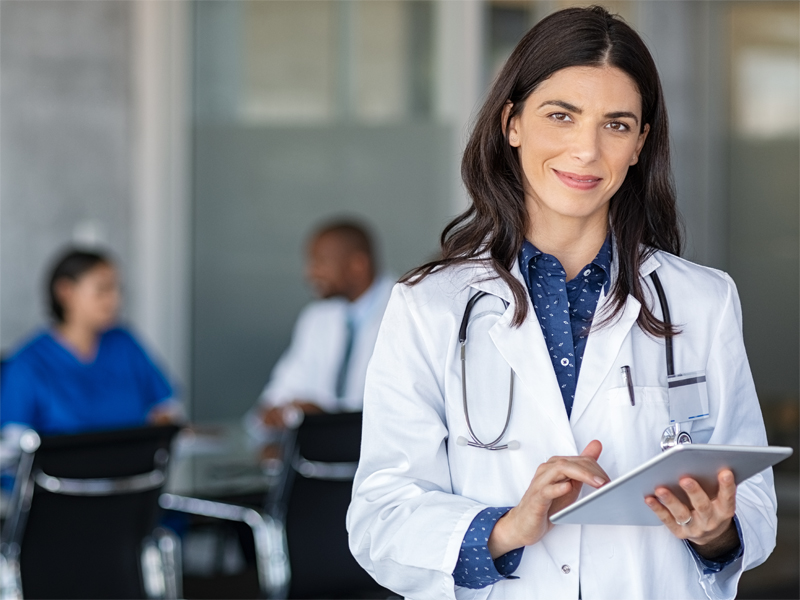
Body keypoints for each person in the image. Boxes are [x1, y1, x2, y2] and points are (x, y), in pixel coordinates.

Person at [346, 7, 776, 600]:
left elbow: (752, 497)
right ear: (512, 123)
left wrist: (716, 532)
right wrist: (504, 529)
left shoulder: (702, 301)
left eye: (617, 125)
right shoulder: (430, 306)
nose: (586, 150)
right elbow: (380, 515)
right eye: (561, 116)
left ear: (639, 144)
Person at [0, 248, 180, 446]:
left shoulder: (125, 345)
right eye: (103, 290)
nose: (114, 300)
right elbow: (14, 447)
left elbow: (165, 409)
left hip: (134, 474)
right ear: (66, 291)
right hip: (61, 476)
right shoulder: (27, 364)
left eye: (117, 289)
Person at [246, 220, 394, 436]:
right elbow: (279, 392)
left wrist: (325, 418)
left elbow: (396, 413)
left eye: (321, 263)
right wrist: (276, 413)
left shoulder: (407, 313)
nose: (310, 274)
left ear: (357, 265)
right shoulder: (316, 318)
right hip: (316, 460)